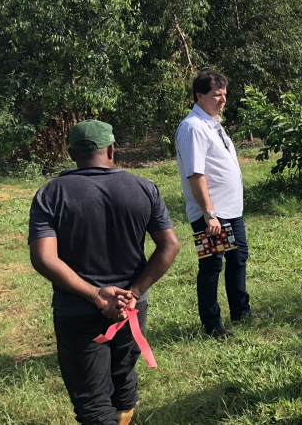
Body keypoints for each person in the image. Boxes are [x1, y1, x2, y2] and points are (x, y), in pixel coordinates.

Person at [28, 119, 181, 425]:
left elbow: (44, 259)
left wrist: (96, 295)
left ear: (71, 153)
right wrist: (133, 293)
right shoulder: (144, 188)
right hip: (131, 308)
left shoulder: (51, 194)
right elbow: (170, 247)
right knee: (123, 374)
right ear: (112, 149)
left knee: (92, 400)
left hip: (77, 311)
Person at [176, 70, 266, 338]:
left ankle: (240, 310)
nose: (222, 99)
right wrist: (209, 214)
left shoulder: (213, 123)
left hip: (230, 211)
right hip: (212, 214)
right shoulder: (193, 127)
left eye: (225, 94)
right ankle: (212, 324)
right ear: (199, 95)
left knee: (238, 259)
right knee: (212, 265)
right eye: (217, 94)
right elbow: (195, 173)